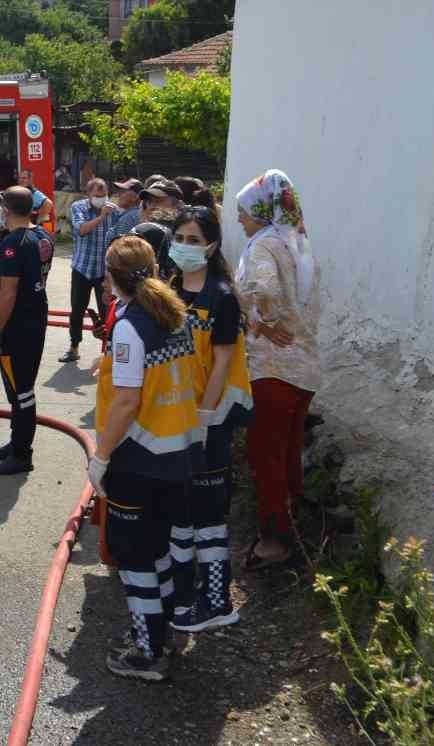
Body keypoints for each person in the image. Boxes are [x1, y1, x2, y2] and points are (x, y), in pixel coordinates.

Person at [86, 235, 202, 682]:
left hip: (140, 459)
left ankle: (148, 651)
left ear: (113, 278)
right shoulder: (174, 314)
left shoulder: (130, 325)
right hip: (179, 452)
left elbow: (127, 401)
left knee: (135, 558)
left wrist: (101, 457)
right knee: (158, 551)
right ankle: (158, 630)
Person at [168, 205, 253, 632]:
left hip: (210, 420)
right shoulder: (169, 290)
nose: (184, 246)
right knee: (181, 511)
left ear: (212, 246)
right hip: (174, 418)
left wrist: (204, 417)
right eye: (179, 238)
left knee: (207, 514)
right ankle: (184, 593)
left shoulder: (221, 297)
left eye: (194, 240)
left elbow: (222, 362)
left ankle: (218, 601)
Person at [234, 170, 321, 571]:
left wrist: (261, 320)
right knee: (287, 454)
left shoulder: (263, 247)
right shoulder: (298, 244)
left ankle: (276, 541)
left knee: (266, 456)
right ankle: (292, 526)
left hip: (272, 368)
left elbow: (264, 290)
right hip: (304, 368)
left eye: (243, 211)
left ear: (260, 211)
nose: (239, 219)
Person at [0, 187, 50, 475]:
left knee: (20, 391)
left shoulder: (14, 242)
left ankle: (23, 454)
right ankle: (16, 442)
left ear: (6, 210)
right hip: (34, 320)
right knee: (20, 388)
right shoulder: (42, 235)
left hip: (17, 327)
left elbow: (8, 293)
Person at [62, 177, 115, 363]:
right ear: (88, 194)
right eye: (97, 196)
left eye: (104, 195)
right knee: (77, 310)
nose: (102, 199)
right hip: (82, 268)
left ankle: (108, 352)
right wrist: (101, 217)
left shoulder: (113, 210)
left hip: (104, 272)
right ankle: (74, 347)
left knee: (107, 311)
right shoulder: (79, 207)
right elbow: (81, 230)